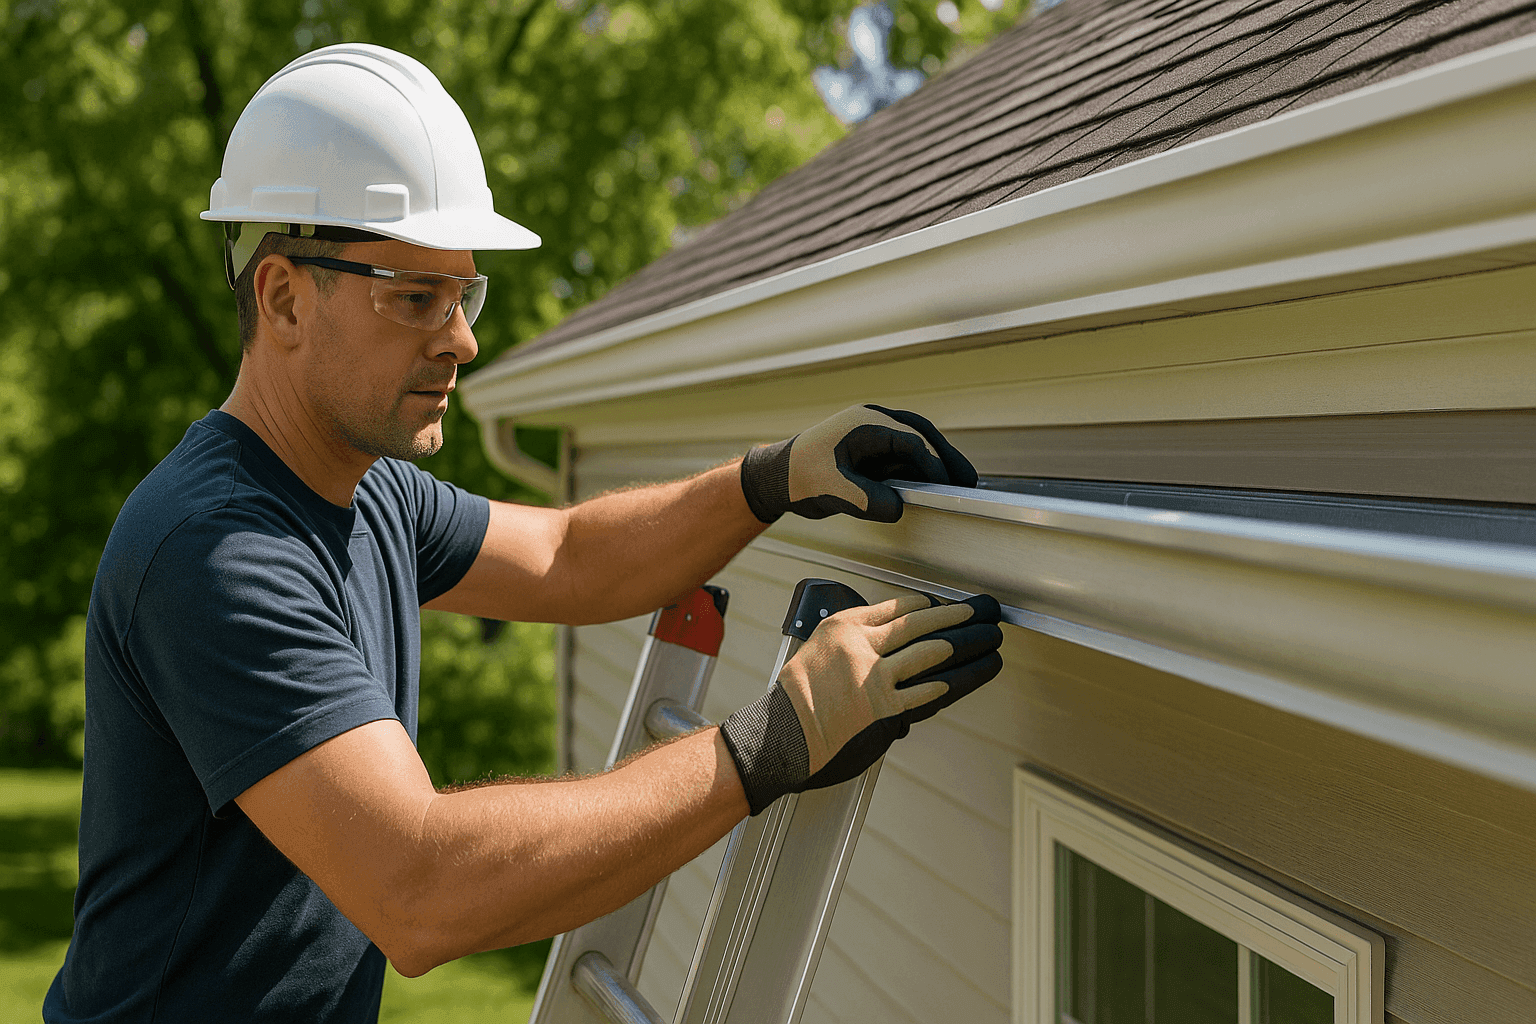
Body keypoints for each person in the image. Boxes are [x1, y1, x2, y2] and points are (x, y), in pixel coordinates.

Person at [44, 44, 1004, 1023]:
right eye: (415, 297)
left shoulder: (368, 493)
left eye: (464, 296)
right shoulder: (217, 551)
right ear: (286, 297)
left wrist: (773, 477)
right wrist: (776, 740)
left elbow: (567, 557)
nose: (460, 337)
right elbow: (420, 886)